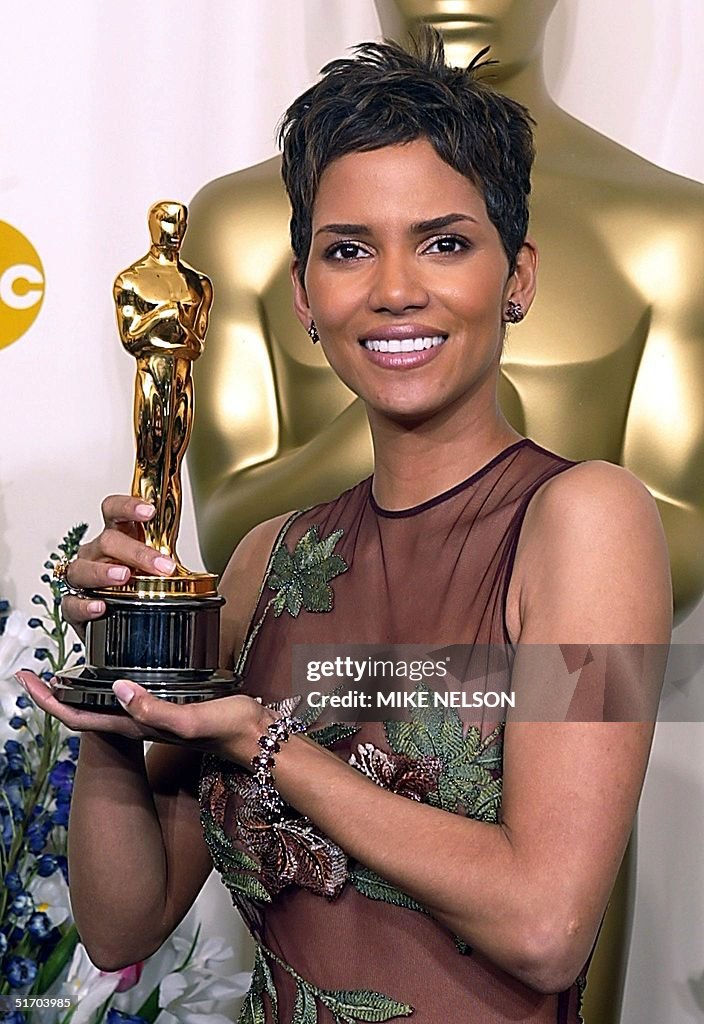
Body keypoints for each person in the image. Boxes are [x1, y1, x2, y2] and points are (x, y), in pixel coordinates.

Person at [18, 31, 671, 1024]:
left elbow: (546, 924)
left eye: (443, 241)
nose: (393, 286)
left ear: (517, 277)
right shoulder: (265, 563)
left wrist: (266, 741)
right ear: (304, 299)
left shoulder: (591, 520)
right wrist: (115, 706)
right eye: (347, 248)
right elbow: (121, 923)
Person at [114, 200, 213, 567]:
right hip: (152, 375)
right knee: (149, 462)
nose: (173, 229)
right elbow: (131, 337)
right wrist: (166, 315)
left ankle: (166, 551)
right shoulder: (132, 280)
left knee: (172, 465)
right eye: (166, 222)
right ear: (153, 225)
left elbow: (197, 343)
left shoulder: (198, 284)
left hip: (183, 378)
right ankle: (142, 555)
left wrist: (171, 330)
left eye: (179, 222)